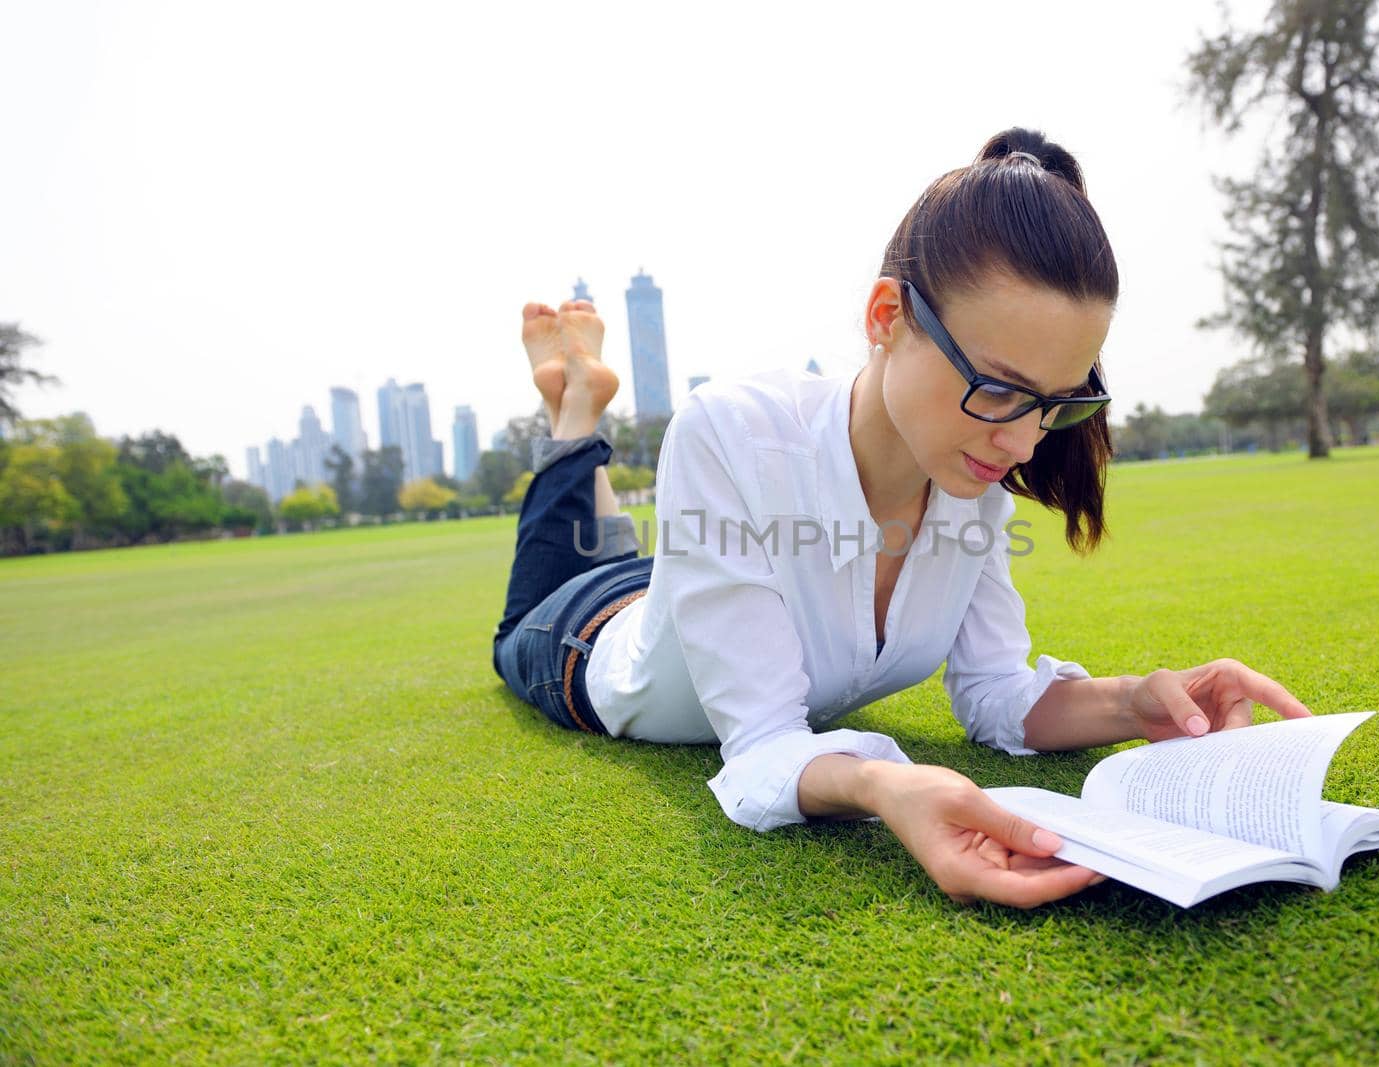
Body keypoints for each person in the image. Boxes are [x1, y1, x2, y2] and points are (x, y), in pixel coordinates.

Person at [492, 127, 1313, 910]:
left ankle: (577, 412)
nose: (1024, 441)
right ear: (886, 317)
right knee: (558, 578)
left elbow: (998, 693)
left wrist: (1138, 703)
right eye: (997, 387)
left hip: (693, 587)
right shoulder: (734, 433)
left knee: (634, 551)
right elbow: (763, 746)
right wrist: (886, 785)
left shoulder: (972, 471)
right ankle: (573, 413)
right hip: (585, 640)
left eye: (1054, 405)